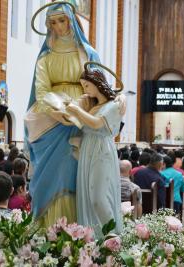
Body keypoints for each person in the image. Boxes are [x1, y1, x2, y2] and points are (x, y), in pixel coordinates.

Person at [24, 2, 103, 227]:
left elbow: (99, 88)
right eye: (53, 22)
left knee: (74, 173)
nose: (58, 26)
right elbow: (41, 91)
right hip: (51, 119)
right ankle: (48, 227)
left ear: (71, 20)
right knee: (49, 174)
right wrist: (56, 110)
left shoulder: (88, 54)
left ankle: (78, 228)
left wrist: (78, 107)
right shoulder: (45, 58)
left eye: (62, 20)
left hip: (82, 116)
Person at [67, 64, 124, 236]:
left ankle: (112, 237)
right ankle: (94, 238)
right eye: (82, 86)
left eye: (86, 85)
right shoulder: (93, 106)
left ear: (98, 83)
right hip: (88, 150)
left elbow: (96, 123)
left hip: (101, 150)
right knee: (87, 195)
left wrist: (76, 110)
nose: (85, 89)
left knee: (99, 197)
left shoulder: (113, 105)